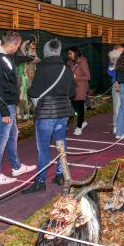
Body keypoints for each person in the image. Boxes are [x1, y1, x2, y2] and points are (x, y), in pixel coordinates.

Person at [22, 39, 75, 194]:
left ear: (45, 51)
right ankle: (61, 175)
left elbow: (33, 92)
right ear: (59, 52)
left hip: (46, 113)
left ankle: (40, 181)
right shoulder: (67, 70)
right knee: (61, 144)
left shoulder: (42, 68)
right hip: (63, 112)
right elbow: (72, 93)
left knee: (43, 148)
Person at [0, 31, 35, 185]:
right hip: (2, 105)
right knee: (1, 139)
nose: (17, 49)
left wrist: (29, 58)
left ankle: (16, 166)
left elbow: (13, 59)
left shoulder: (4, 55)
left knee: (13, 135)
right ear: (13, 45)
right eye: (18, 46)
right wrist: (4, 111)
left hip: (8, 104)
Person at [67, 46, 91, 136]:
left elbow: (88, 77)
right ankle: (83, 121)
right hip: (72, 88)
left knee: (79, 107)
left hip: (81, 88)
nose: (69, 55)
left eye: (71, 53)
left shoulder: (83, 62)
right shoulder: (69, 62)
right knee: (74, 107)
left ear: (75, 53)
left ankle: (79, 127)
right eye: (68, 53)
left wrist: (77, 78)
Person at [107, 44, 124, 134]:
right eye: (121, 48)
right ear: (116, 49)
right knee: (117, 106)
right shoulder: (113, 57)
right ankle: (116, 126)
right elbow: (110, 72)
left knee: (123, 105)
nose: (123, 50)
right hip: (117, 84)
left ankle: (122, 125)